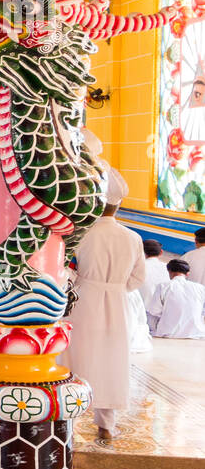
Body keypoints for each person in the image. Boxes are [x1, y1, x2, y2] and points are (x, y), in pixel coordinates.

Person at [61, 171, 145, 441]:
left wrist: (81, 283)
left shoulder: (80, 234)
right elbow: (138, 278)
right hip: (118, 304)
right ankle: (106, 425)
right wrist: (115, 288)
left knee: (77, 358)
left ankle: (69, 422)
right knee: (112, 359)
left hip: (84, 300)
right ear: (118, 206)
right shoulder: (133, 238)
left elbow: (66, 270)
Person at [146, 260, 205, 339]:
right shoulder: (200, 288)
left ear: (169, 271)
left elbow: (154, 311)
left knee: (148, 313)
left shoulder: (163, 286)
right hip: (196, 333)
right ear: (187, 274)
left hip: (168, 333)